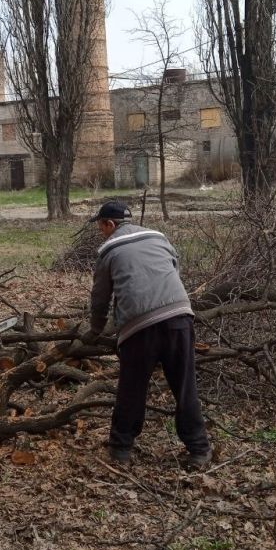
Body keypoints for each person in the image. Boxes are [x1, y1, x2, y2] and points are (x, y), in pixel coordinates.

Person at [83, 200, 212, 470]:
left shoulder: (109, 250)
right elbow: (173, 269)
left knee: (132, 388)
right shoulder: (158, 237)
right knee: (185, 387)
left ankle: (120, 450)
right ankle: (199, 450)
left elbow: (100, 297)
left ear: (110, 224)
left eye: (100, 226)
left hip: (140, 328)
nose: (100, 232)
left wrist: (95, 330)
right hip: (180, 317)